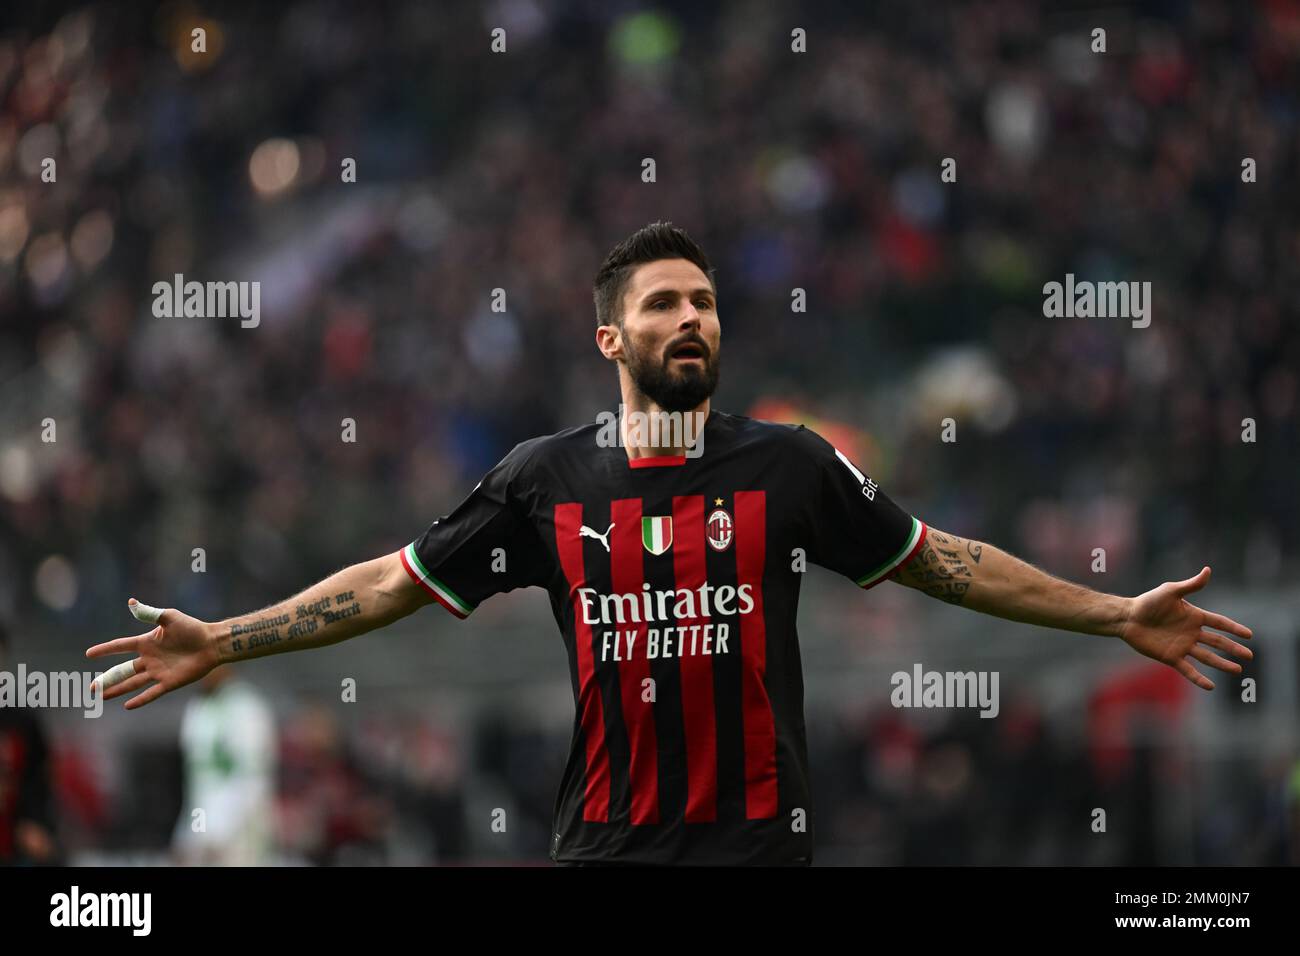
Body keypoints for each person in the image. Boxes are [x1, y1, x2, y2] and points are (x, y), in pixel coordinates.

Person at [87, 221, 1254, 866]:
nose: (690, 316)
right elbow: (393, 582)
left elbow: (944, 559)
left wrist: (1111, 613)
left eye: (702, 300)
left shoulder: (789, 465)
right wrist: (229, 640)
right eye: (661, 303)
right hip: (604, 847)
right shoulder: (543, 479)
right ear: (611, 335)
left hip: (757, 847)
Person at [171, 667, 276, 866]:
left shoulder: (247, 707)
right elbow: (197, 781)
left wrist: (224, 828)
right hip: (203, 825)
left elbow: (254, 776)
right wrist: (188, 830)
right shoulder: (198, 707)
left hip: (239, 829)